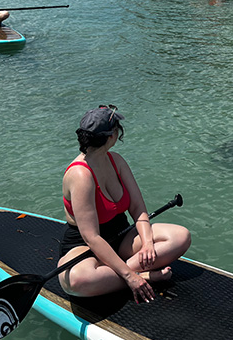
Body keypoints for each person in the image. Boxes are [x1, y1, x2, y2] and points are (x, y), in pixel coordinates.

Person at [57, 105, 191, 303]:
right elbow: (92, 237)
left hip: (121, 235)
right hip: (85, 246)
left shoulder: (116, 161)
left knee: (181, 237)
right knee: (77, 281)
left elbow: (138, 209)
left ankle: (114, 275)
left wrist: (146, 244)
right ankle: (142, 275)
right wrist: (131, 276)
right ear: (112, 136)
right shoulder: (80, 175)